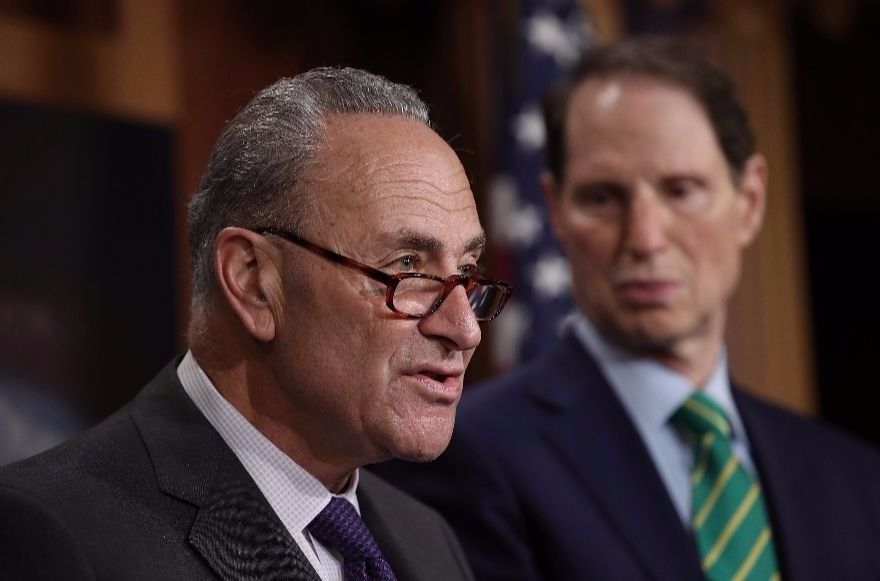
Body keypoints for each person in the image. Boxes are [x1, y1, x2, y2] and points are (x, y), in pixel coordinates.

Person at [373, 37, 880, 580]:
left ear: (750, 201)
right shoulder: (466, 454)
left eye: (681, 191)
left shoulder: (855, 478)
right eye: (602, 197)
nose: (645, 239)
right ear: (556, 212)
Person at [0, 67, 512, 580]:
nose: (465, 330)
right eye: (408, 267)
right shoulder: (52, 537)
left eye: (466, 273)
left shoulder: (426, 541)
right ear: (253, 282)